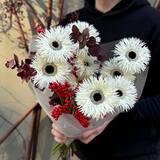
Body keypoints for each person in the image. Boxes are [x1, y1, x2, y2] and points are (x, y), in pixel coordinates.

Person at [51, 0, 160, 159]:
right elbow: (54, 87)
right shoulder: (70, 23)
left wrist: (116, 113)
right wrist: (62, 124)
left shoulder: (153, 23)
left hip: (136, 152)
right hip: (84, 153)